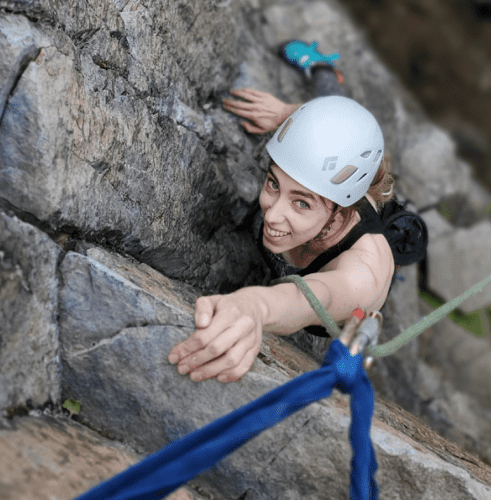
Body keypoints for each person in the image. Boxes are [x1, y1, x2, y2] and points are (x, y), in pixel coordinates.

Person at [168, 42, 418, 383]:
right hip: (350, 169)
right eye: (273, 184)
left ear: (342, 213)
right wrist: (288, 113)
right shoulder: (325, 192)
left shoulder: (360, 276)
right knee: (333, 112)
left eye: (301, 203)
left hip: (373, 239)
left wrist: (254, 307)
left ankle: (324, 70)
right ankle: (321, 69)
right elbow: (331, 123)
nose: (271, 216)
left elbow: (307, 298)